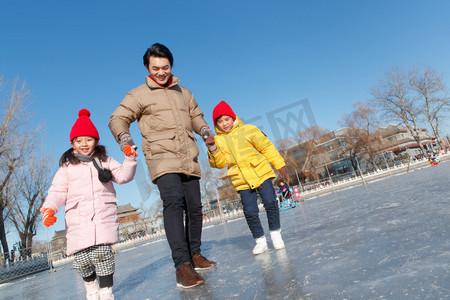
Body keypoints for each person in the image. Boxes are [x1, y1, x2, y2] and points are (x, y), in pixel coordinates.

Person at [108, 43, 216, 288]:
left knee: (195, 207)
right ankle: (182, 265)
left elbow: (195, 116)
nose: (160, 72)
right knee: (174, 202)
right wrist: (125, 138)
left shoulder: (184, 92)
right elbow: (117, 118)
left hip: (187, 154)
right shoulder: (138, 94)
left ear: (171, 66)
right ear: (148, 67)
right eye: (155, 67)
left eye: (165, 67)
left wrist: (205, 131)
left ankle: (195, 254)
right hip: (161, 156)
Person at [40, 109, 137, 300]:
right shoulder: (67, 168)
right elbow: (57, 191)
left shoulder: (105, 161)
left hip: (103, 216)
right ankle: (91, 287)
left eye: (88, 140)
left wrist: (130, 158)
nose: (84, 144)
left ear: (96, 141)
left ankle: (106, 291)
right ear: (72, 144)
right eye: (79, 141)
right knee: (82, 260)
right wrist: (49, 208)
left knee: (103, 256)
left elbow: (124, 177)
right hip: (78, 220)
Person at [205, 101, 288, 255]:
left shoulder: (249, 130)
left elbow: (266, 147)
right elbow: (219, 164)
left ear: (233, 118)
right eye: (220, 121)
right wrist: (213, 150)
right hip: (241, 180)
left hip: (260, 172)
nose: (224, 124)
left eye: (226, 119)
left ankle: (276, 234)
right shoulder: (218, 141)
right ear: (216, 124)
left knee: (270, 202)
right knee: (250, 211)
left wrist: (279, 164)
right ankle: (260, 240)